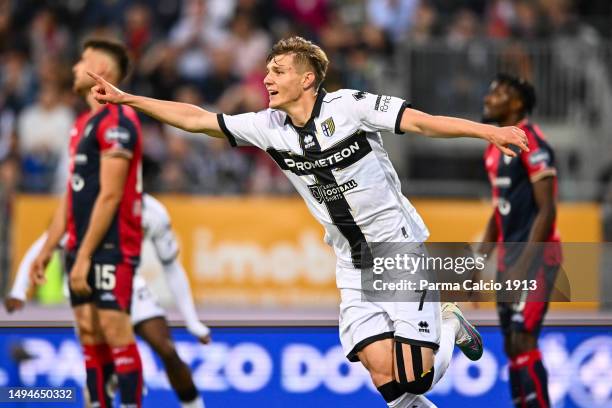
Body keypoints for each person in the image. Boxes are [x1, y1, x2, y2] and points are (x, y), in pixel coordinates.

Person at [87, 36, 529, 407]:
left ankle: (450, 323)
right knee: (385, 376)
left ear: (307, 78)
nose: (266, 79)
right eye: (266, 71)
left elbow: (423, 123)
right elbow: (199, 119)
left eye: (277, 71)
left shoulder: (351, 107)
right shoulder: (269, 126)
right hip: (350, 262)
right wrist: (129, 99)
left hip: (397, 249)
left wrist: (487, 131)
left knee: (414, 379)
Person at [7, 193, 208, 408]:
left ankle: (190, 404)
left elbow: (171, 266)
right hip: (87, 295)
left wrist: (192, 321)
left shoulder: (152, 211)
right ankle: (113, 388)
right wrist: (19, 290)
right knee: (100, 376)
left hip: (129, 286)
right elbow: (43, 245)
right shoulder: (83, 207)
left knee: (166, 350)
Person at [30, 39, 144, 408]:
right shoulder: (82, 124)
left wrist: (85, 257)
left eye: (83, 61)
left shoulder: (119, 121)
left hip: (110, 246)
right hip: (79, 246)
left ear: (101, 71)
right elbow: (72, 192)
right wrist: (47, 249)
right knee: (90, 335)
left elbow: (110, 196)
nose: (75, 67)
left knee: (115, 330)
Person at [478, 74, 560, 408]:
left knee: (524, 338)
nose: (489, 97)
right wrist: (476, 262)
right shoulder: (494, 149)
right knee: (512, 344)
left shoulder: (533, 142)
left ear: (517, 103)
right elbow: (499, 211)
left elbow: (548, 210)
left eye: (498, 93)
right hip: (509, 262)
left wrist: (525, 265)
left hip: (535, 258)